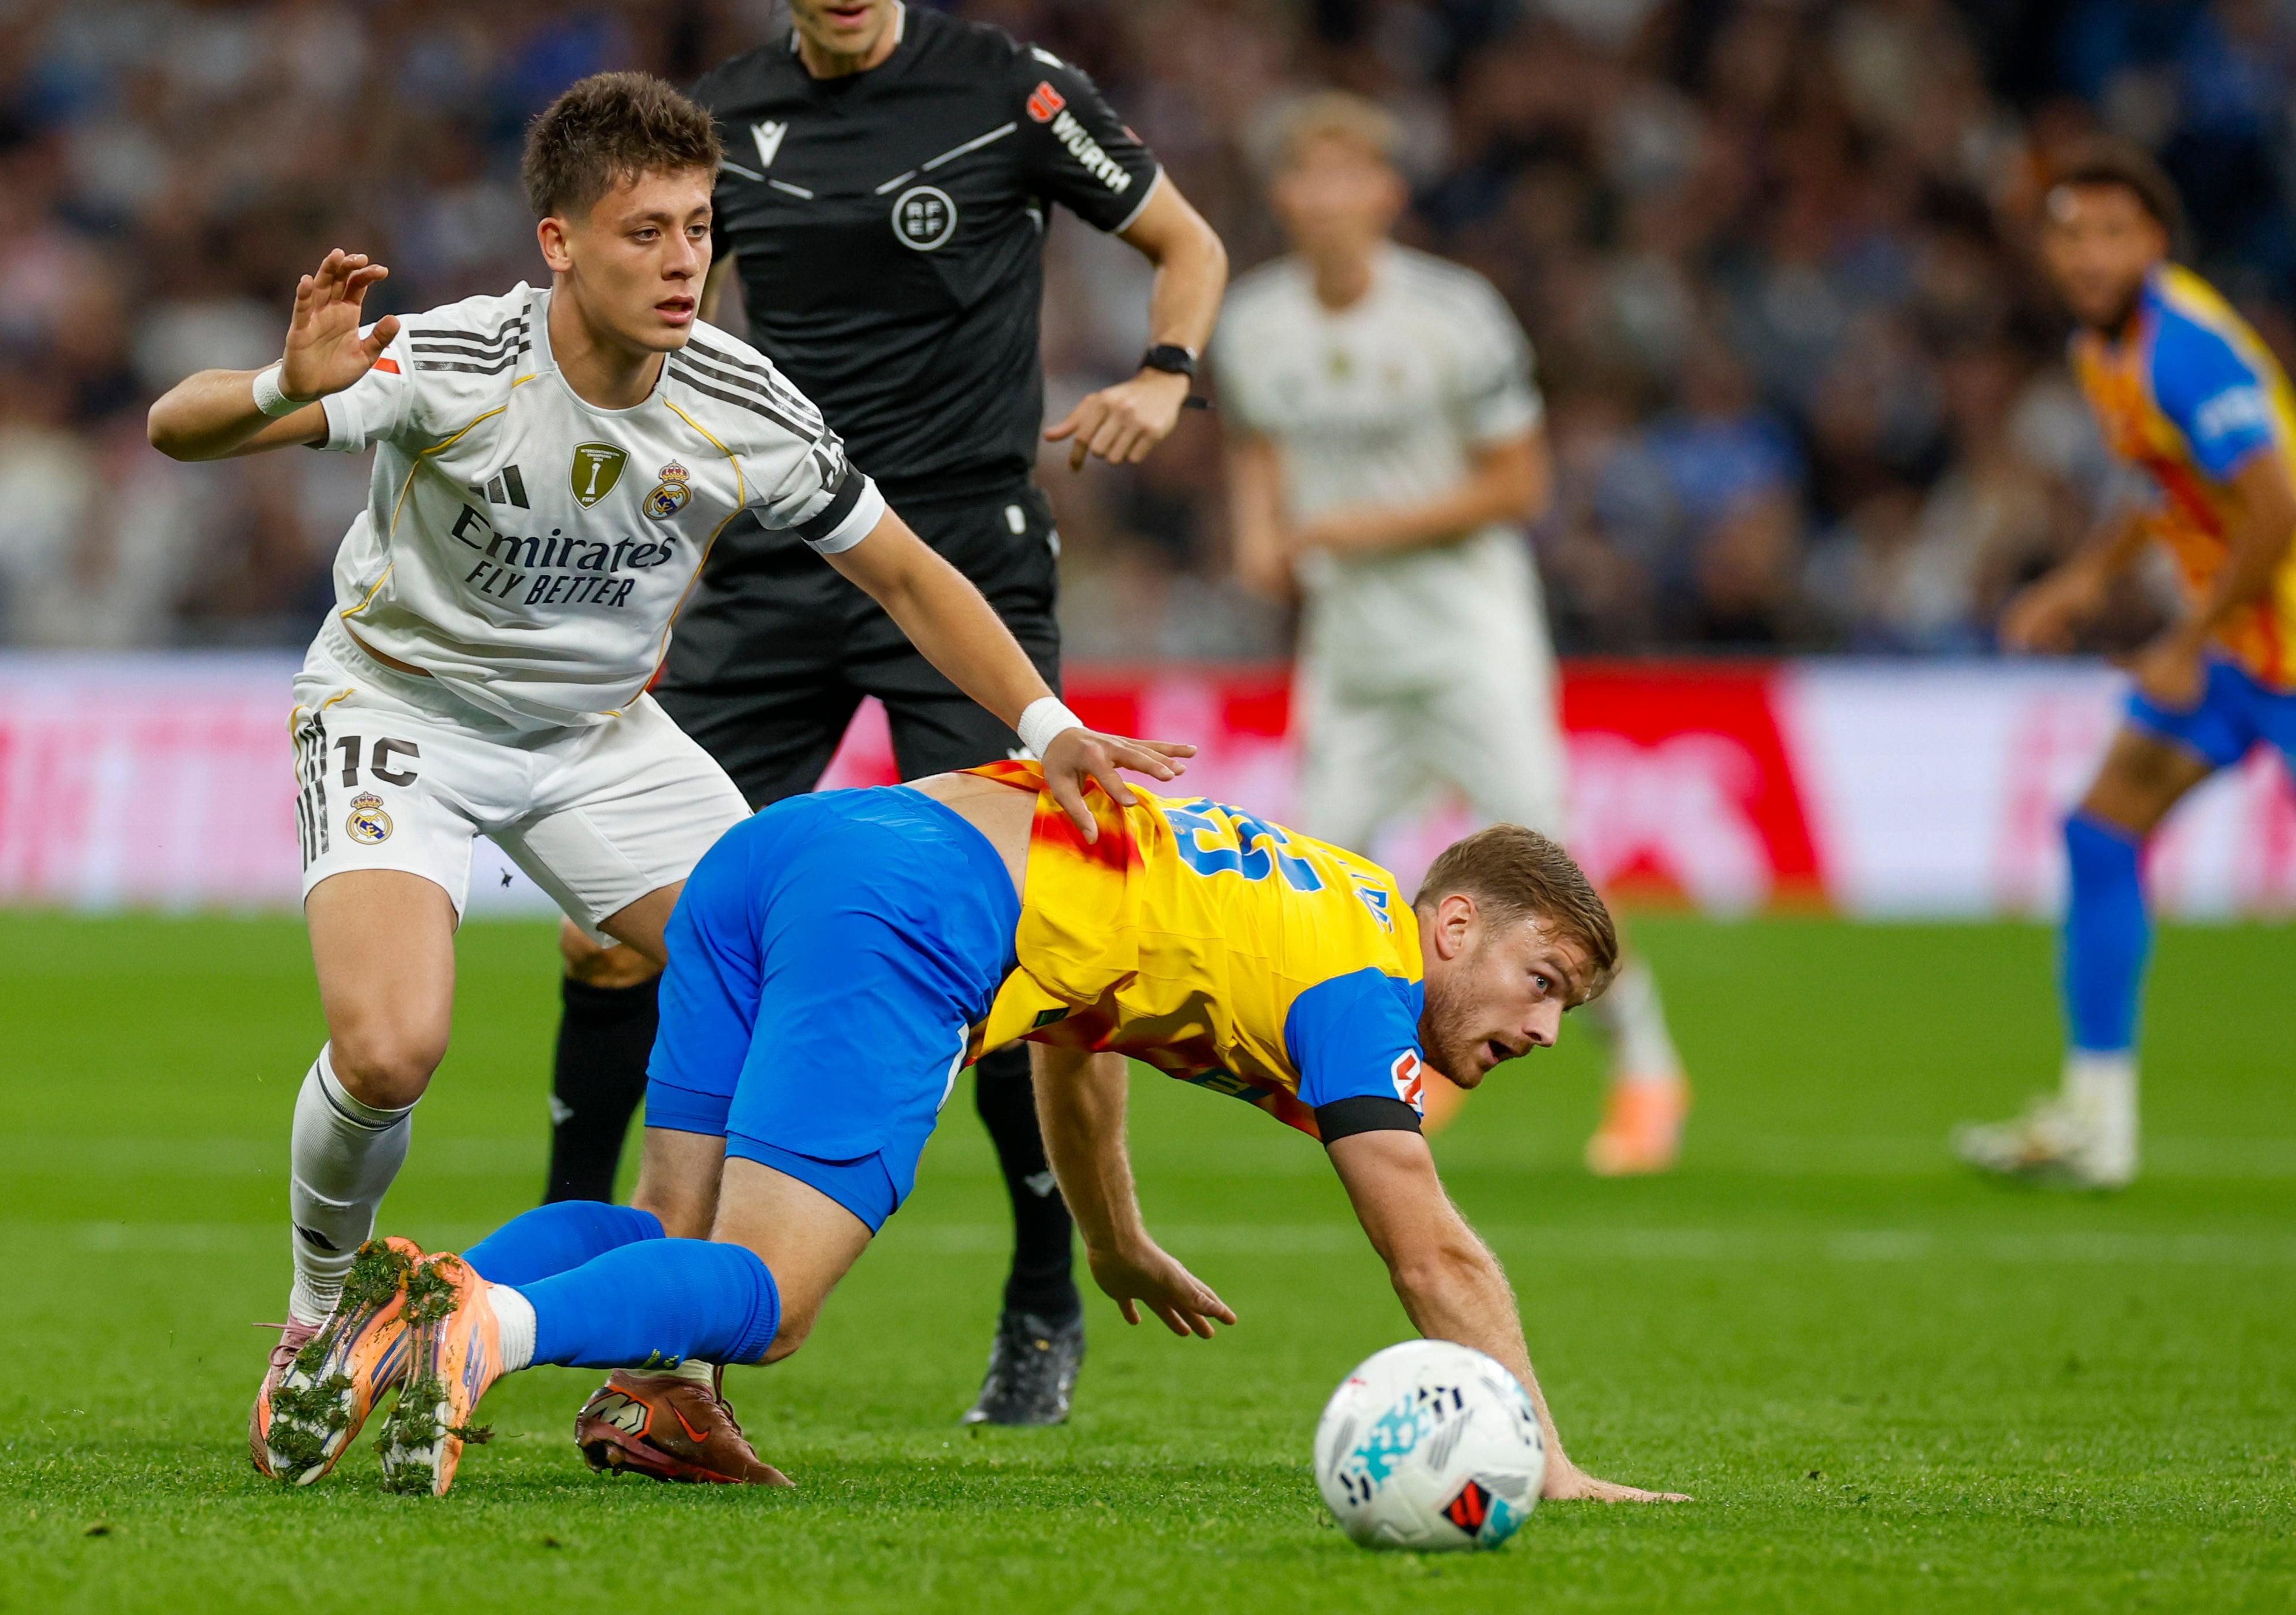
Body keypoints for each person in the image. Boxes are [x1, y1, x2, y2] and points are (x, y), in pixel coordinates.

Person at [142, 72, 1185, 1483]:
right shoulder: (453, 359)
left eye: (698, 226)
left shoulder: (739, 399)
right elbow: (179, 425)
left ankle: (661, 1382)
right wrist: (285, 386)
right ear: (560, 243)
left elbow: (903, 572)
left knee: (779, 979)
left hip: (596, 739)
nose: (684, 259)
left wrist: (1046, 720)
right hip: (401, 705)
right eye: (645, 232)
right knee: (390, 1049)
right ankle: (321, 1311)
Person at [262, 758, 1688, 1506]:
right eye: (1541, 981)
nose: (1542, 1028)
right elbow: (1428, 1250)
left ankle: (428, 1319)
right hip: (913, 901)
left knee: (666, 1230)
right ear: (1455, 924)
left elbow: (1083, 1034)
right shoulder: (1364, 983)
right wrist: (1540, 1458)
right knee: (769, 1297)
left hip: (788, 850)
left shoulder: (1317, 904)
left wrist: (1111, 1236)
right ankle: (490, 1326)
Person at [539, 0, 1230, 1427]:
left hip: (960, 561)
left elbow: (1188, 243)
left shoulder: (1011, 92)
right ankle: (579, 1259)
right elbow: (652, 331)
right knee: (609, 933)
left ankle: (1042, 1289)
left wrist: (1164, 375)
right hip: (777, 553)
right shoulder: (719, 120)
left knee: (1013, 944)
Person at [1209, 92, 1691, 1174]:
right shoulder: (1255, 323)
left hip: (1468, 628)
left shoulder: (1453, 313)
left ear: (1387, 193)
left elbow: (1520, 483)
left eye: (1350, 173)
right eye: (1308, 174)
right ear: (1283, 195)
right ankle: (1399, 1072)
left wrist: (1355, 525)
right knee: (1324, 878)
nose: (1328, 197)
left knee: (1552, 875)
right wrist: (1256, 534)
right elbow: (1255, 445)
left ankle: (1648, 1069)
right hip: (1351, 639)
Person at [1956, 139, 2296, 1189]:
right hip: (2243, 648)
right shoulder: (2102, 351)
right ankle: (2096, 1124)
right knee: (2099, 833)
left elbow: (2277, 505)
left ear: (2154, 241)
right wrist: (2083, 579)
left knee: (2100, 832)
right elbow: (2162, 482)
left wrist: (2183, 642)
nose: (2090, 254)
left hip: (2268, 644)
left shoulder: (2184, 350)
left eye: (2113, 232)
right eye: (2071, 234)